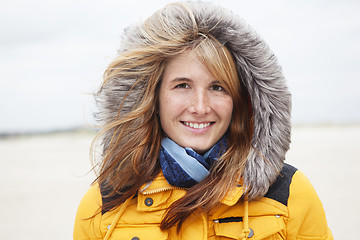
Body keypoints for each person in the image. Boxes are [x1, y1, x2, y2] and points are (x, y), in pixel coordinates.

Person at [74, 1, 333, 239]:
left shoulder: (289, 193)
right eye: (182, 85)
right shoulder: (102, 205)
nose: (200, 107)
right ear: (153, 97)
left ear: (239, 101)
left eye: (218, 87)